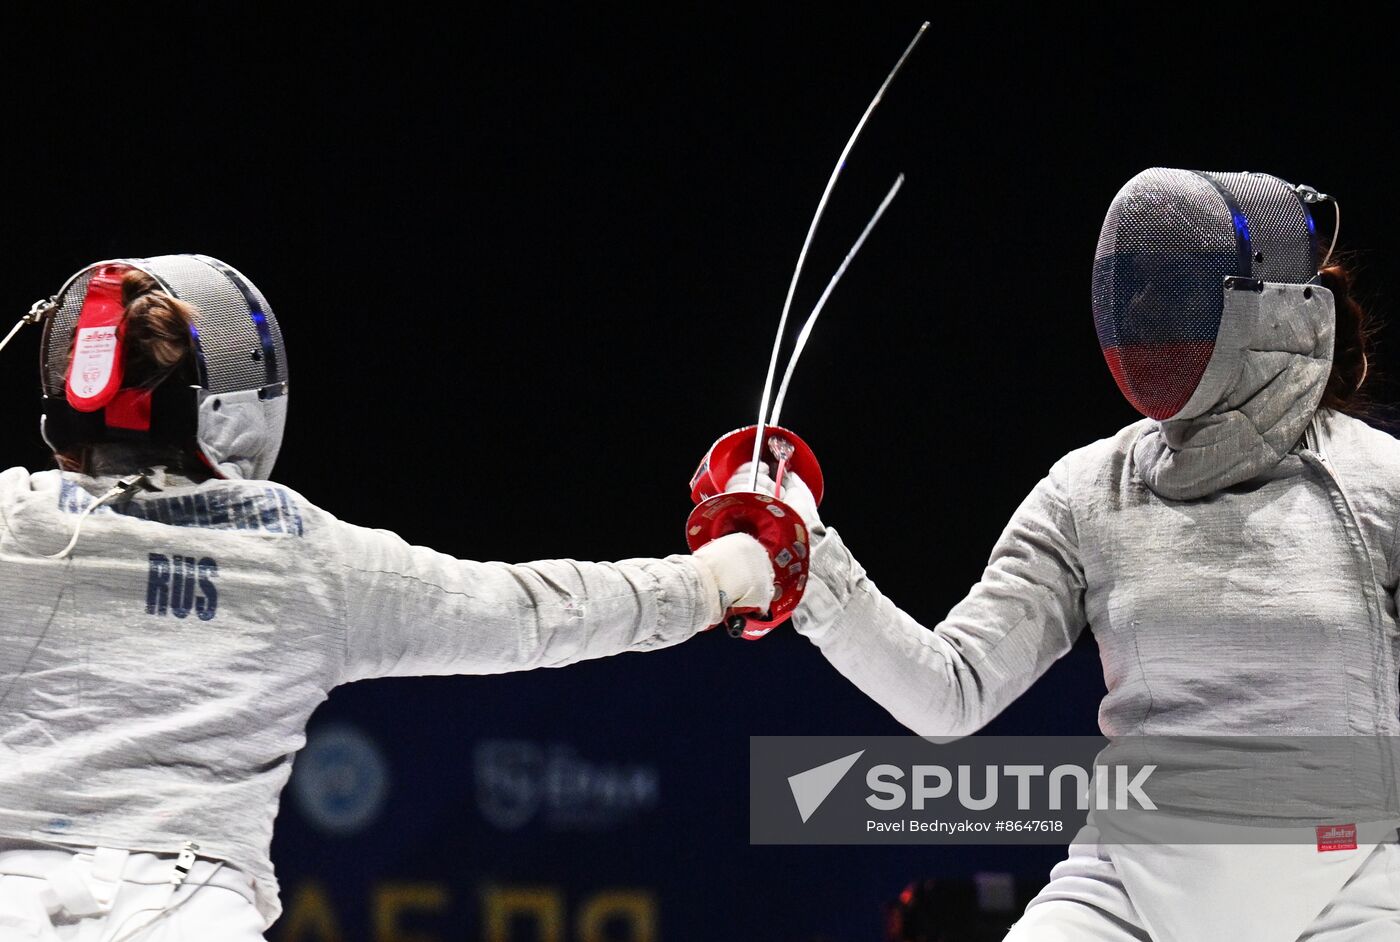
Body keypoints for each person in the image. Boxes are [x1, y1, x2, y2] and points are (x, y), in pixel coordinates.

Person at [0, 255, 777, 940]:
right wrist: (723, 576)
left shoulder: (10, 524)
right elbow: (534, 611)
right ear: (242, 407)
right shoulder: (304, 562)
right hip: (191, 916)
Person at [729, 170, 1400, 941]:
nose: (1145, 318)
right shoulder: (1089, 492)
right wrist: (807, 557)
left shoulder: (1377, 487)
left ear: (1274, 315)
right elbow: (951, 690)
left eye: (1174, 292)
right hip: (1131, 891)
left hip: (1351, 887)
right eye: (1137, 291)